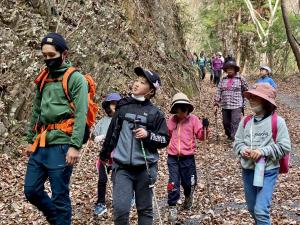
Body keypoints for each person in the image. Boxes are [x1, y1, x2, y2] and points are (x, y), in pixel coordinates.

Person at [24, 33, 88, 225]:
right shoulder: (43, 78)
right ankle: (56, 218)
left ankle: (60, 219)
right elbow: (36, 109)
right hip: (41, 142)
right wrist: (30, 139)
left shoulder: (76, 79)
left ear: (64, 54)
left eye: (51, 55)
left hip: (62, 144)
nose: (47, 59)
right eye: (44, 56)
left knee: (60, 196)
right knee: (31, 190)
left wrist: (75, 146)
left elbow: (81, 114)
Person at [99, 67, 170, 225]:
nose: (137, 84)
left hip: (146, 168)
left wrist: (148, 135)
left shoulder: (155, 113)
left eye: (143, 83)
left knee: (144, 209)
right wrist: (104, 154)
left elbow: (165, 140)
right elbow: (113, 133)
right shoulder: (123, 107)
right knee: (121, 209)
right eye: (137, 80)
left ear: (151, 91)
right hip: (122, 167)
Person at [234, 83, 291, 225]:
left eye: (256, 97)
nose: (251, 100)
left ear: (266, 101)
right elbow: (237, 142)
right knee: (252, 209)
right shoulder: (245, 121)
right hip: (248, 170)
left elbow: (285, 147)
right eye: (251, 96)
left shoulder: (278, 122)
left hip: (268, 171)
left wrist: (262, 151)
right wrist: (243, 150)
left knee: (260, 210)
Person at [166, 92, 208, 222]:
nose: (181, 113)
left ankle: (188, 196)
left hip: (188, 158)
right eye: (178, 110)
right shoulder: (172, 120)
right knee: (173, 182)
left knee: (188, 182)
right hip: (173, 157)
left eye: (183, 110)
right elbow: (166, 136)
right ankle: (172, 206)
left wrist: (205, 127)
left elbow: (202, 137)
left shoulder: (193, 119)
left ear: (187, 109)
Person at [93, 92, 121, 216]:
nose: (114, 106)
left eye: (116, 103)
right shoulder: (103, 121)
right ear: (108, 106)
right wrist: (96, 137)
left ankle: (126, 198)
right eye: (112, 103)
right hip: (104, 157)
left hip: (118, 157)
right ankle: (101, 203)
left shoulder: (122, 120)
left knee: (118, 180)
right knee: (102, 179)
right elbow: (93, 135)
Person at [214, 61, 248, 142]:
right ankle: (229, 135)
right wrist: (216, 104)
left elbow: (246, 91)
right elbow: (219, 91)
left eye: (231, 69)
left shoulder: (240, 79)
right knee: (226, 123)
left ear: (235, 70)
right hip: (225, 105)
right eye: (228, 69)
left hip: (237, 105)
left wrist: (244, 103)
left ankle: (234, 138)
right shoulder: (223, 79)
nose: (229, 70)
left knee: (235, 122)